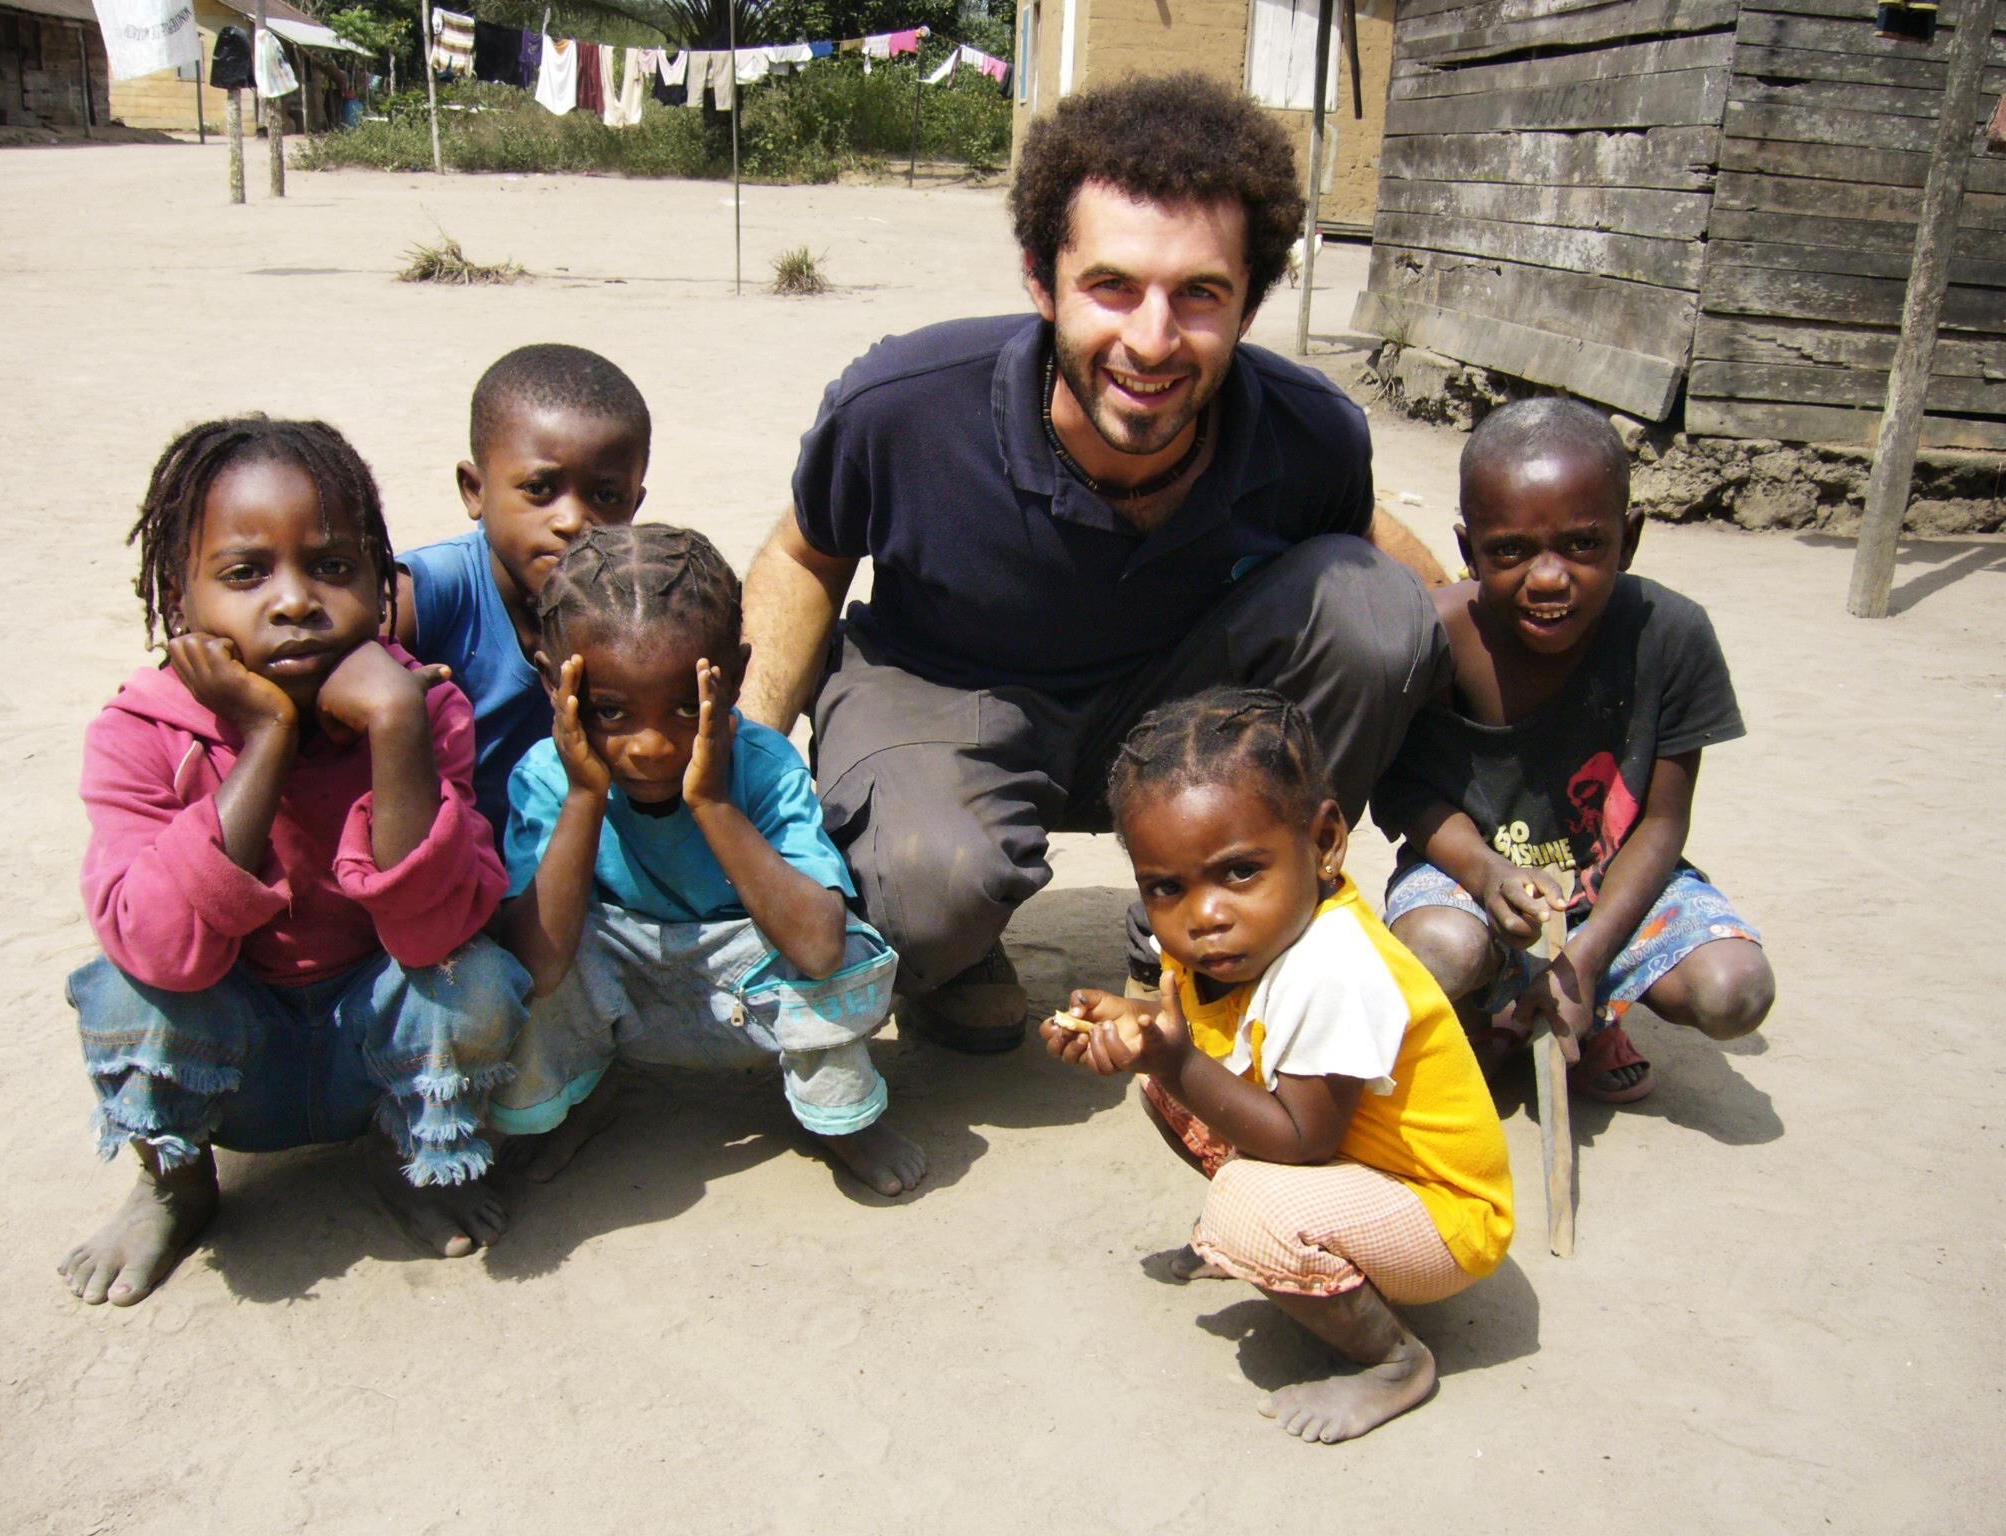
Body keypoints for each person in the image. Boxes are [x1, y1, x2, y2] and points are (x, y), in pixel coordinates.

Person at [740, 73, 1451, 1056]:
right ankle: (954, 947)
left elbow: (1370, 559)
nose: (1150, 342)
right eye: (1110, 286)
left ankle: (1201, 948)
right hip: (944, 686)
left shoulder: (1308, 431)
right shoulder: (900, 408)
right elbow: (802, 554)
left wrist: (1522, 728)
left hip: (1169, 709)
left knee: (1379, 616)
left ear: (1251, 299)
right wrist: (738, 769)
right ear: (1041, 279)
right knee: (927, 899)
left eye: (1199, 294)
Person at [60, 417, 532, 1308]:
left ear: (377, 580)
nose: (294, 601)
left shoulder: (421, 709)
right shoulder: (140, 730)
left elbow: (437, 930)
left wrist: (394, 729)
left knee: (477, 976)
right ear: (179, 591)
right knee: (123, 983)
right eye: (245, 574)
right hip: (234, 1059)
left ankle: (411, 1158)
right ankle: (176, 1185)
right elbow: (161, 948)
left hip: (373, 1044)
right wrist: (267, 734)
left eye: (334, 567)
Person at [1041, 687, 1513, 1444]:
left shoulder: (1333, 966)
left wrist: (1174, 1059)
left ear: (1326, 843)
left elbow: (1304, 1141)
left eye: (1238, 873)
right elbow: (1209, 1043)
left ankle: (1395, 1361)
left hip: (1447, 1219)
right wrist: (1135, 1028)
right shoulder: (1247, 942)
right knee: (1163, 1088)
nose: (1204, 915)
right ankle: (1304, 1255)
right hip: (1369, 1177)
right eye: (1167, 888)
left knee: (1244, 1203)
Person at [493, 525, 927, 1197]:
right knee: (530, 944)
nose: (651, 747)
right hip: (621, 978)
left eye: (683, 708)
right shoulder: (547, 778)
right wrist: (585, 794)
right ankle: (580, 1096)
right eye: (609, 711)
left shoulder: (762, 766)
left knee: (841, 950)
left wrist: (715, 804)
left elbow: (817, 948)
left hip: (745, 985)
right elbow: (538, 965)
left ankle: (838, 1117)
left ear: (734, 680)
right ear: (555, 685)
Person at [1374, 399, 1775, 1102]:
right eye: (1510, 551)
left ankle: (1587, 1011)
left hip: (1611, 883)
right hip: (1473, 878)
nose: (1549, 577)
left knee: (1735, 991)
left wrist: (1585, 957)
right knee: (1440, 948)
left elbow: (1661, 821)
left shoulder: (1672, 636)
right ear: (1469, 552)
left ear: (1631, 537)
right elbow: (1401, 793)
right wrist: (1484, 869)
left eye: (1584, 545)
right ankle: (1491, 1010)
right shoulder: (1435, 641)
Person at [393, 343, 652, 840]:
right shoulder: (428, 598)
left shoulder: (637, 606)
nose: (572, 520)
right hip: (433, 871)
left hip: (568, 875)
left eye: (606, 496)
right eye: (539, 488)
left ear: (635, 503)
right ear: (475, 489)